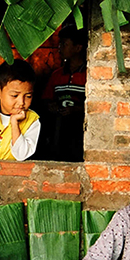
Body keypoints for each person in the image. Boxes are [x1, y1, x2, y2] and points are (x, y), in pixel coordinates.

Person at [40, 24, 87, 162]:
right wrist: (51, 106)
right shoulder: (56, 75)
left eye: (64, 44)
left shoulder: (89, 75)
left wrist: (76, 109)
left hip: (80, 132)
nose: (60, 47)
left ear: (78, 48)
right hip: (59, 131)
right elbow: (46, 100)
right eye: (60, 43)